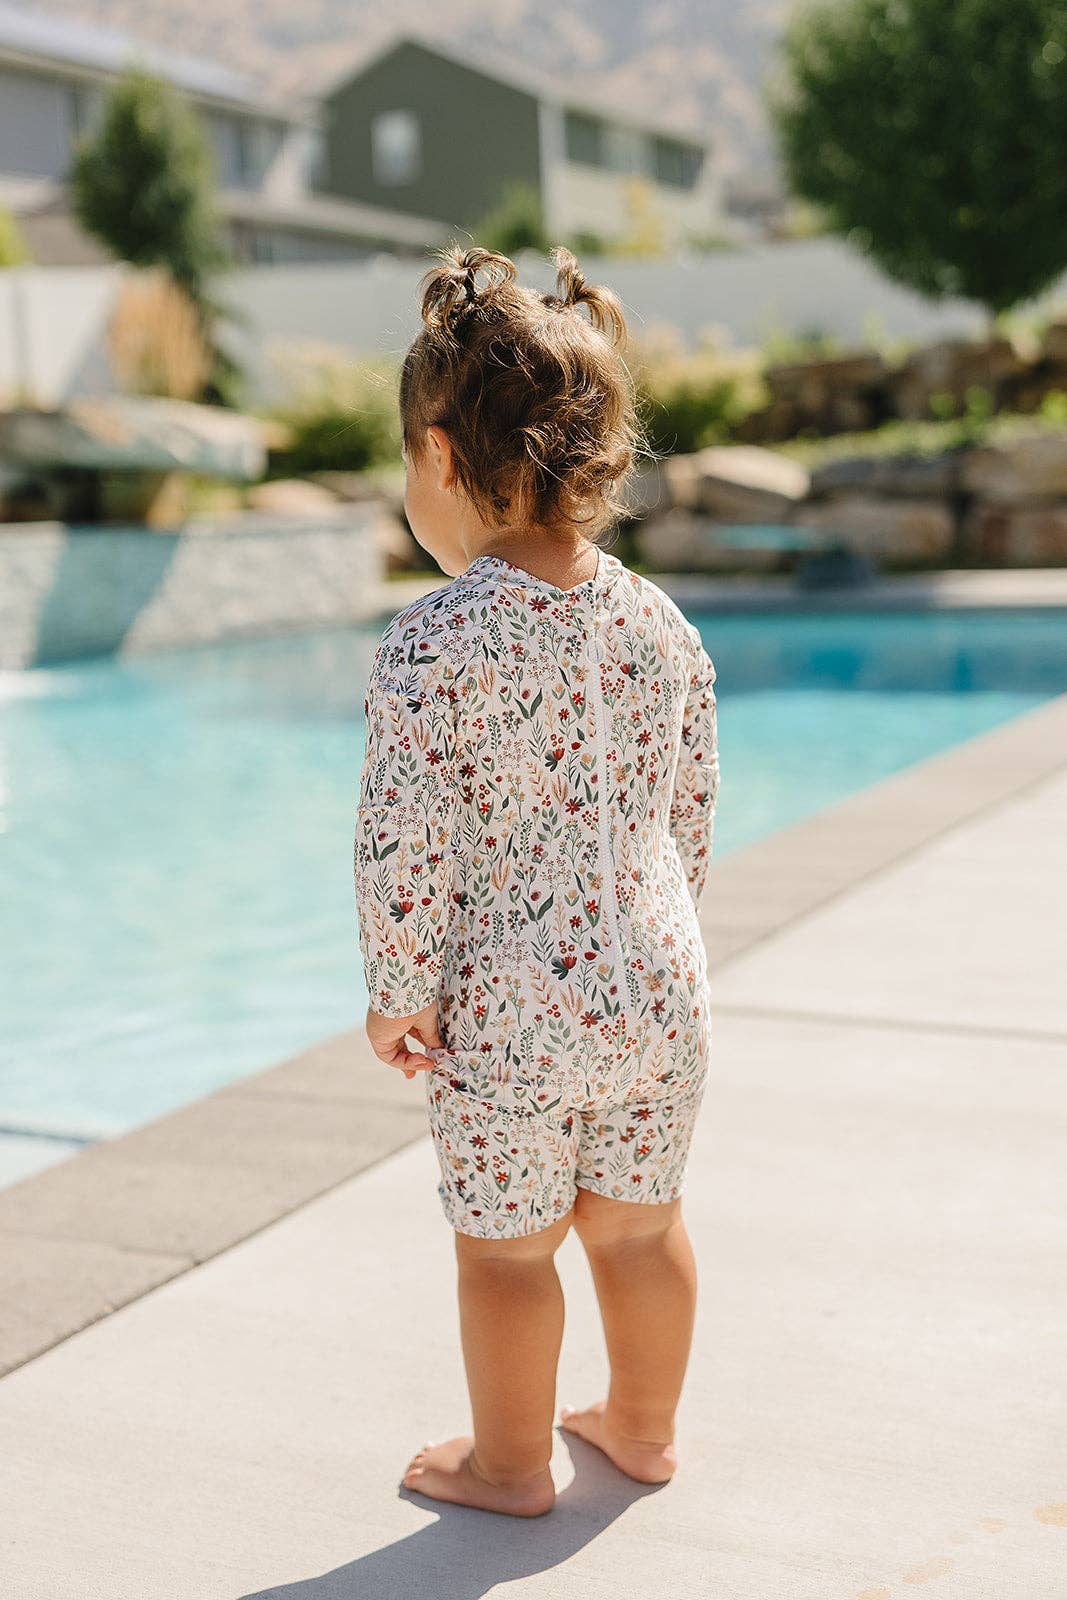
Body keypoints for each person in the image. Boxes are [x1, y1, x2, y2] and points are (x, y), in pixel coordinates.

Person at [354, 244, 720, 1518]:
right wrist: (661, 936)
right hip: (660, 983)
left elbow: (405, 842)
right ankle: (642, 1423)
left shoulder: (430, 644)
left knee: (507, 1255)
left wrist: (399, 990)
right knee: (635, 1224)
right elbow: (688, 812)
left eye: (409, 463)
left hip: (513, 1006)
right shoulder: (663, 623)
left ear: (442, 459)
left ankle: (508, 1467)